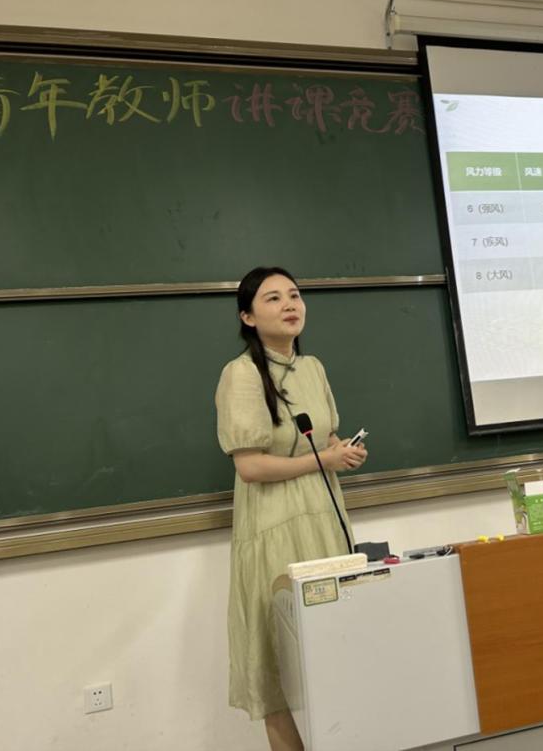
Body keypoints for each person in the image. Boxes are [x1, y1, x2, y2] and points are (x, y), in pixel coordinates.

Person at [215, 266, 367, 751]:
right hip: (274, 526)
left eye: (295, 295)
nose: (290, 305)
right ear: (248, 316)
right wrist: (323, 460)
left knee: (336, 653)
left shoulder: (313, 367)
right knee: (282, 666)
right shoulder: (241, 374)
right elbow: (250, 466)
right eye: (273, 298)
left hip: (324, 517)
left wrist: (341, 450)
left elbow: (325, 436)